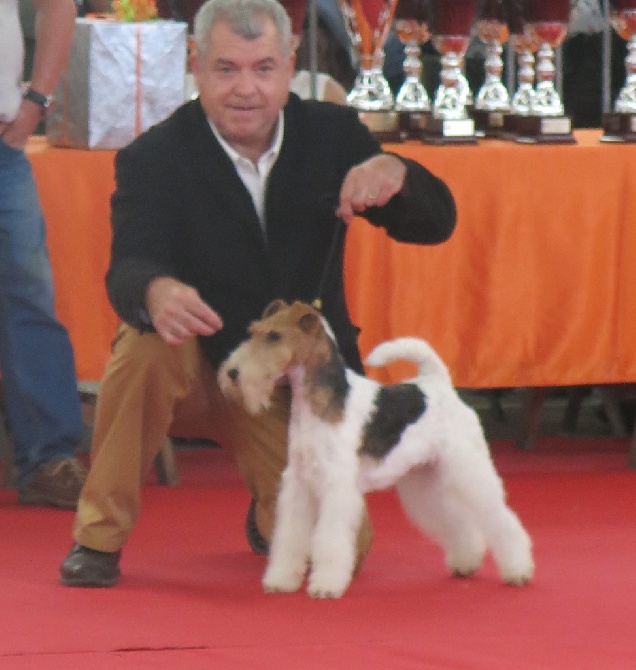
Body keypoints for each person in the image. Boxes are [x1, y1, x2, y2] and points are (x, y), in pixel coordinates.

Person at [59, 0, 456, 587]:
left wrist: (398, 175)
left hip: (294, 389)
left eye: (263, 68)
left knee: (344, 548)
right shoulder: (155, 156)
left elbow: (437, 223)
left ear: (291, 62)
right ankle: (97, 539)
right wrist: (155, 287)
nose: (246, 89)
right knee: (144, 345)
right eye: (226, 70)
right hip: (196, 369)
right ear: (196, 66)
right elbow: (127, 268)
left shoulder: (332, 135)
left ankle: (267, 513)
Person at [0, 0, 86, 507]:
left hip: (4, 148)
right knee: (29, 294)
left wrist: (36, 100)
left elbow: (60, 5)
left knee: (29, 295)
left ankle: (48, 457)